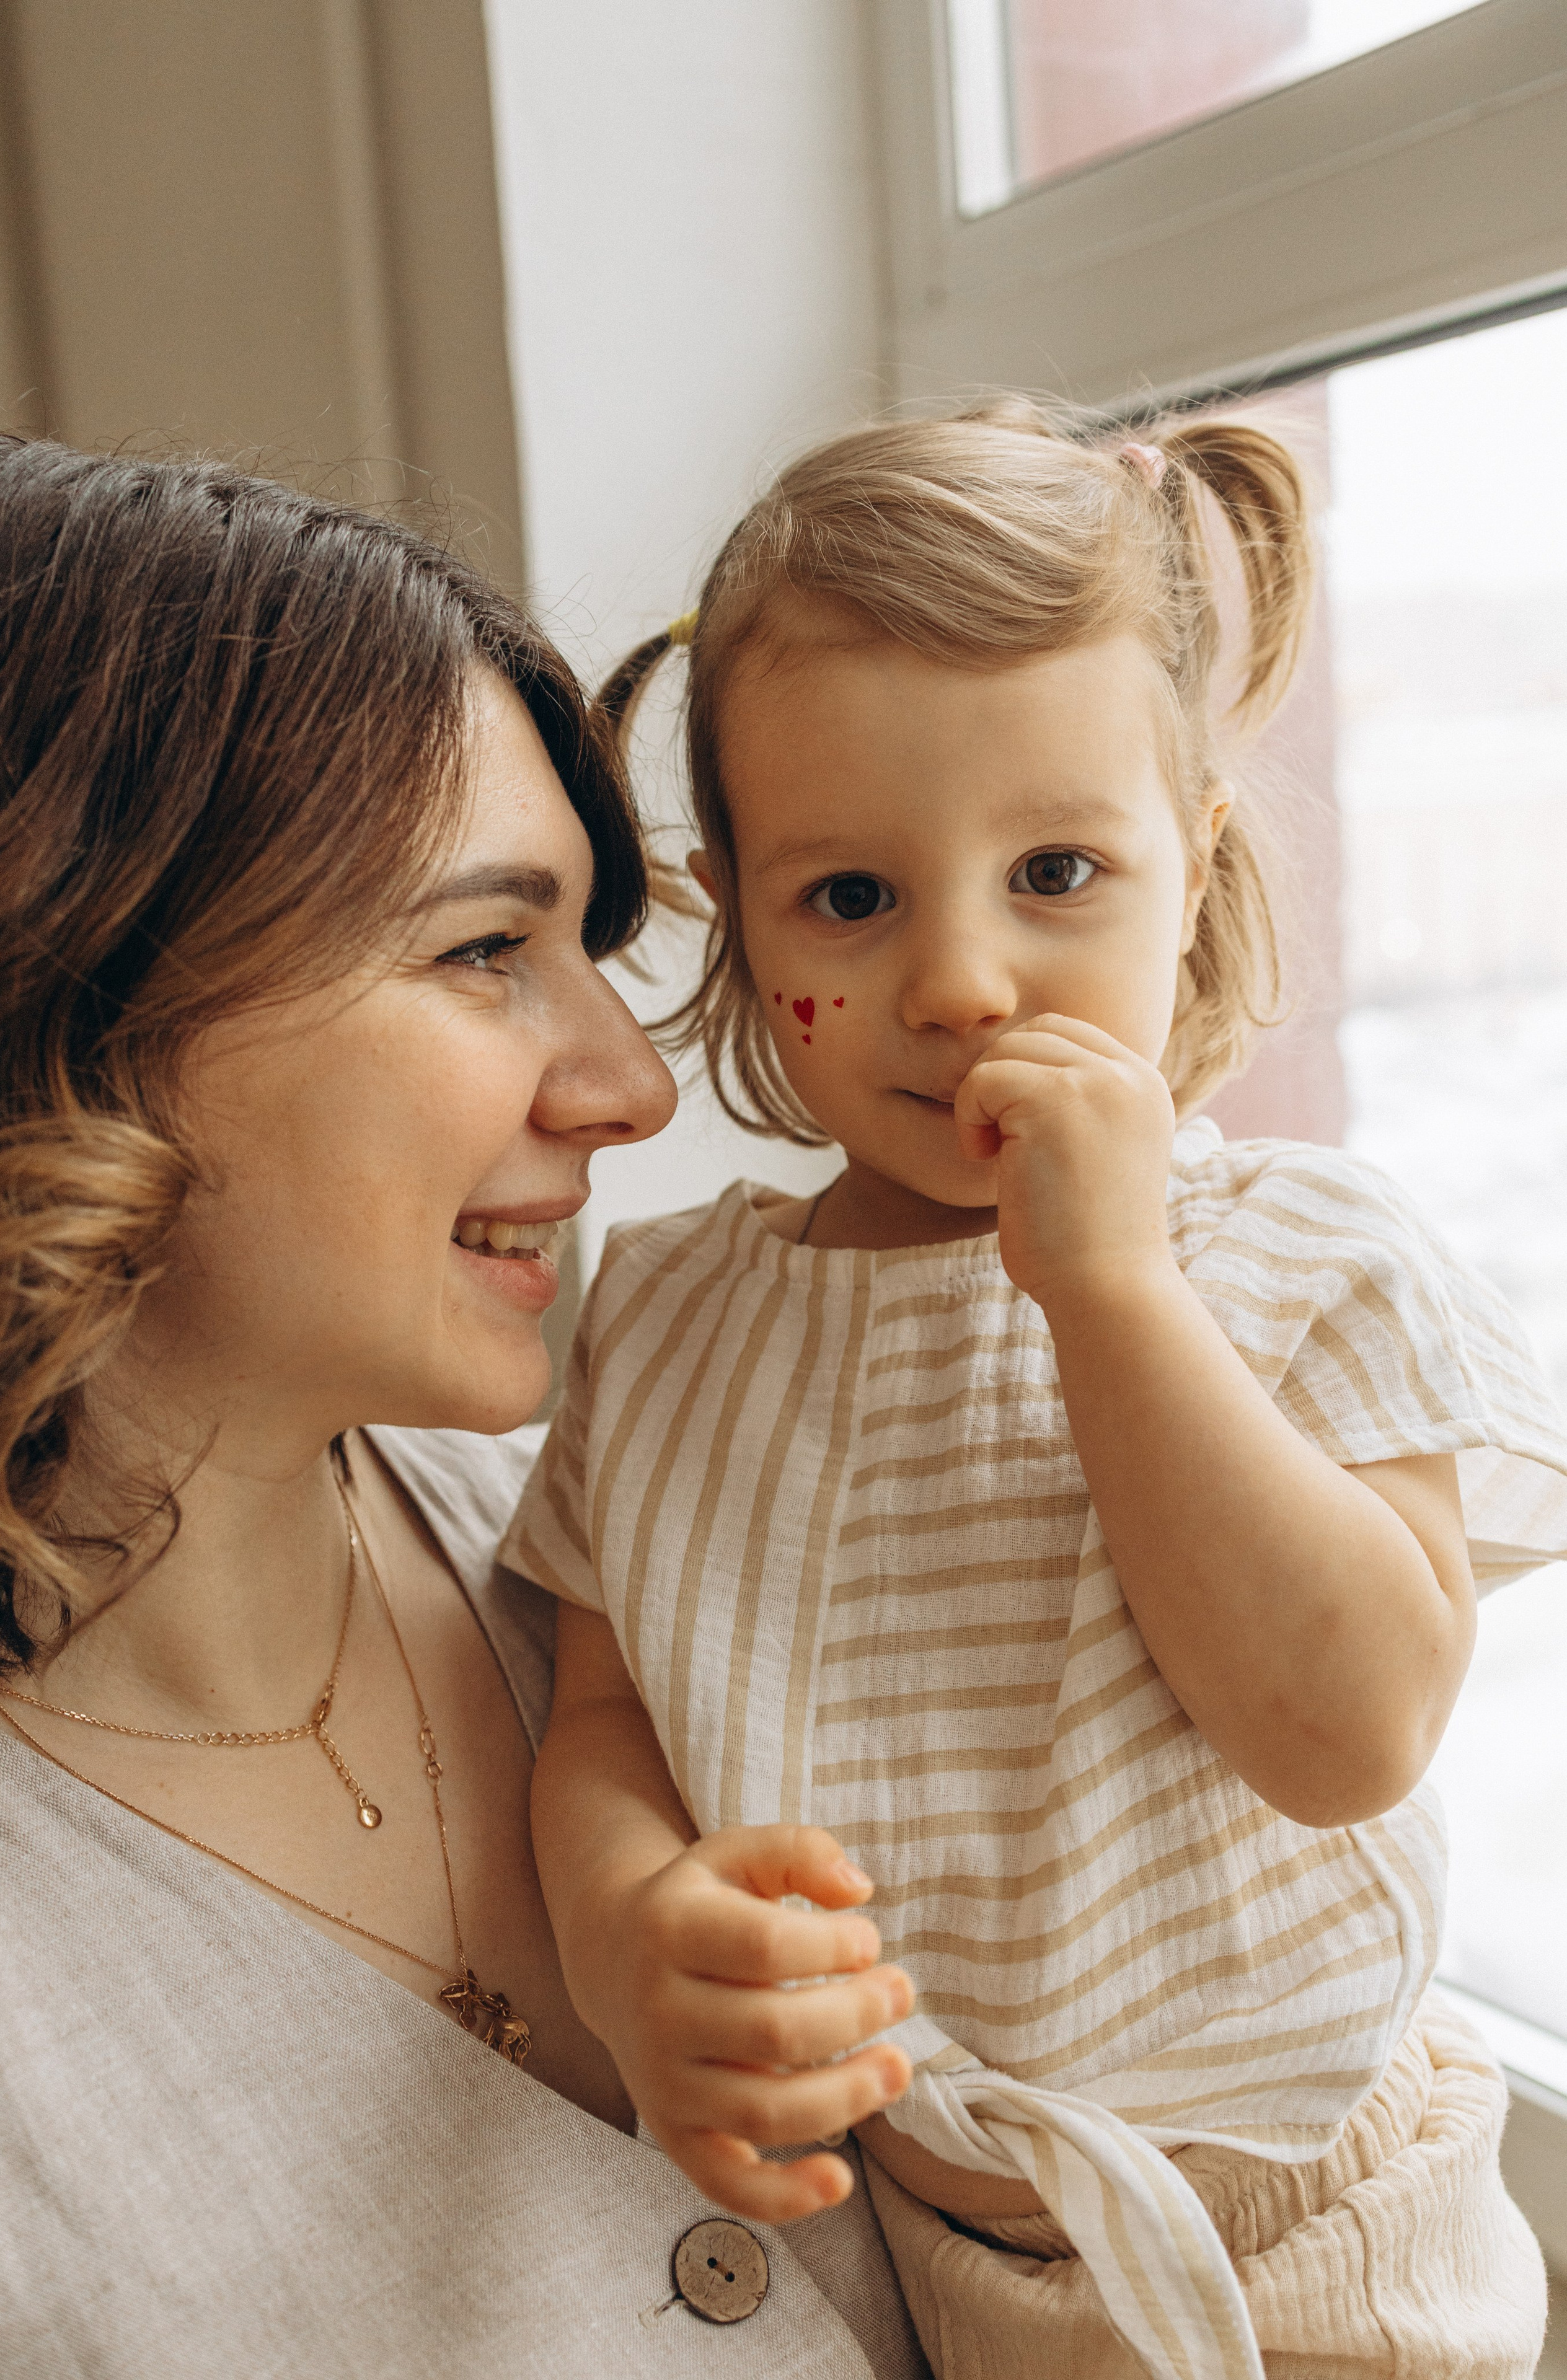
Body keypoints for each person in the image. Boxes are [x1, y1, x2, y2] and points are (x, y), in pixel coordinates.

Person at [505, 400, 1567, 2379]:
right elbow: (604, 1714)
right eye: (852, 900)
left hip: (1316, 2228)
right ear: (737, 912)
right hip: (937, 2240)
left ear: (1197, 863)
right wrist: (635, 1927)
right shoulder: (670, 1322)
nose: (966, 980)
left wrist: (1113, 1292)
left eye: (1059, 868)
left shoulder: (1307, 1261)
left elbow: (1348, 1731)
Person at [0, 436, 930, 2380]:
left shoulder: (657, 1548)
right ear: (78, 982)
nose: (629, 1084)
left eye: (588, 946)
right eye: (487, 949)